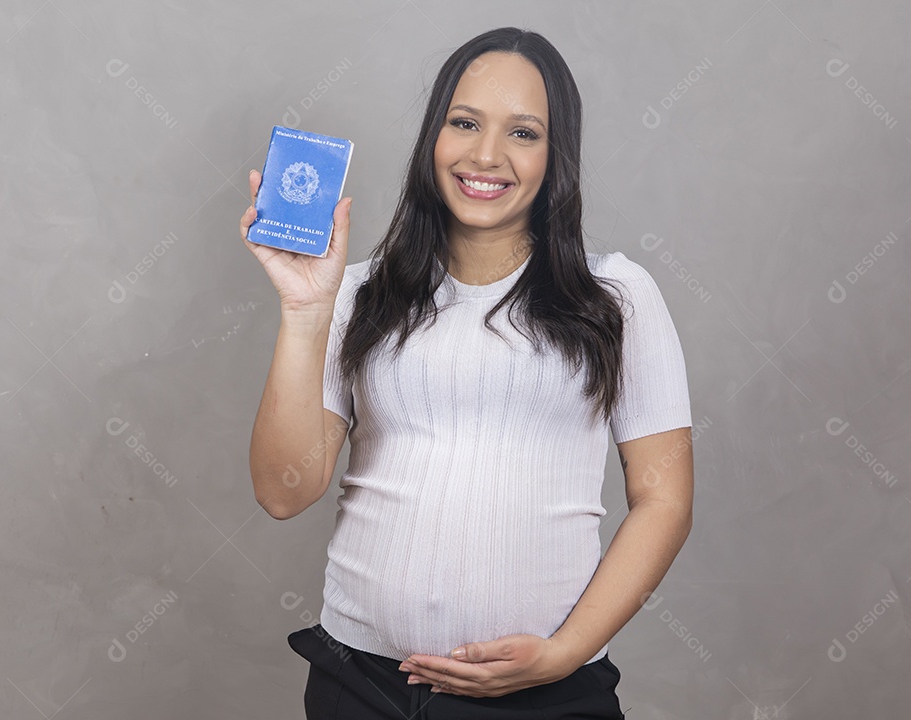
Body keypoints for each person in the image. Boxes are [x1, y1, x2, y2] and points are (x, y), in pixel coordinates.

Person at [242, 26, 693, 720]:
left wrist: (566, 651)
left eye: (523, 133)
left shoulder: (618, 297)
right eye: (464, 123)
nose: (486, 155)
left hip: (544, 692)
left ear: (556, 155)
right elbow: (283, 491)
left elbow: (664, 502)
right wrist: (306, 314)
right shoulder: (356, 295)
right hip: (360, 686)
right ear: (434, 138)